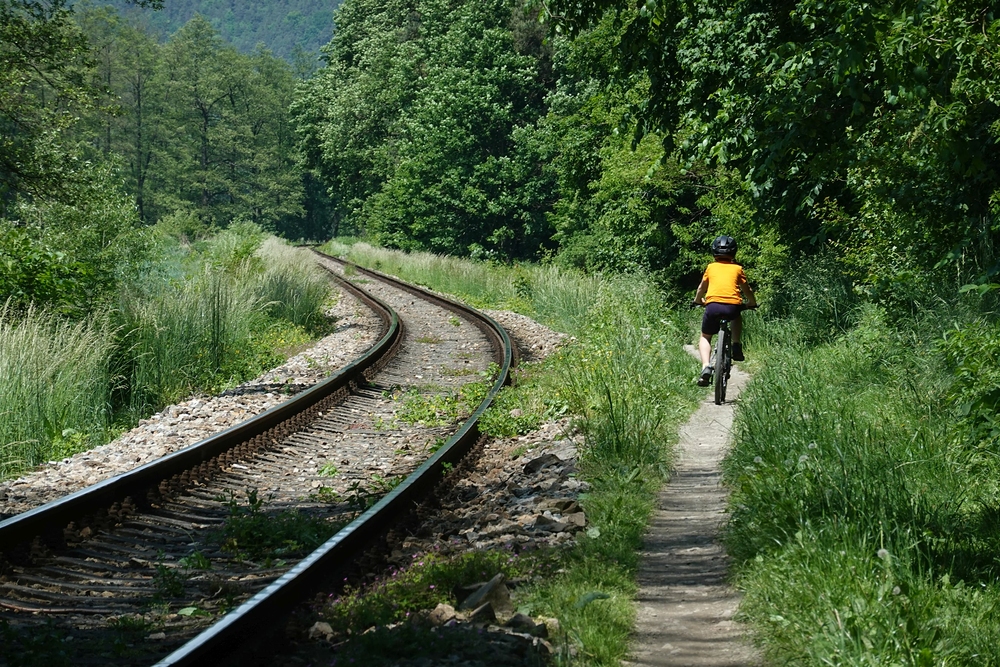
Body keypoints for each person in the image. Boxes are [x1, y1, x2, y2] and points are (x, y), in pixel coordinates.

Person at [692, 235, 757, 386]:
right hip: (732, 306)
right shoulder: (738, 269)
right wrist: (752, 303)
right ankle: (735, 343)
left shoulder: (711, 267)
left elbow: (702, 287)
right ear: (734, 252)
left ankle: (706, 366)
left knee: (705, 336)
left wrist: (697, 300)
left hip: (712, 305)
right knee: (737, 314)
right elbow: (747, 289)